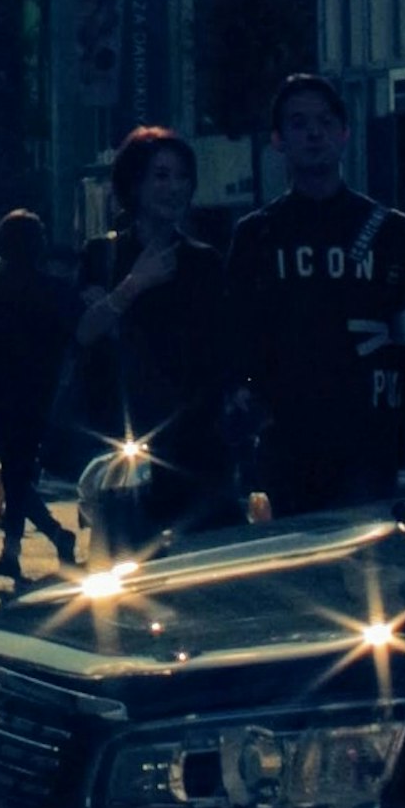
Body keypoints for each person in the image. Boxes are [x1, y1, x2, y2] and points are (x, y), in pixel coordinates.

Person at [229, 75, 405, 522]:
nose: (313, 133)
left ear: (344, 134)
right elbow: (237, 337)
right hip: (288, 439)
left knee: (364, 569)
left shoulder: (388, 230)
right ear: (278, 139)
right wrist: (250, 405)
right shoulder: (258, 236)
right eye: (299, 123)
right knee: (299, 571)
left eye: (325, 122)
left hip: (370, 433)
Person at [74, 130, 242, 534]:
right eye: (161, 176)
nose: (174, 187)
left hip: (199, 440)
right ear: (134, 184)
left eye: (182, 177)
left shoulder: (204, 261)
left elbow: (227, 347)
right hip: (124, 442)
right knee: (126, 570)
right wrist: (134, 284)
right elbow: (82, 333)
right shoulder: (104, 255)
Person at [0, 210, 81, 585]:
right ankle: (15, 548)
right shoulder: (57, 290)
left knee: (15, 470)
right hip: (44, 387)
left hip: (4, 389)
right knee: (18, 470)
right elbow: (74, 334)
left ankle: (50, 535)